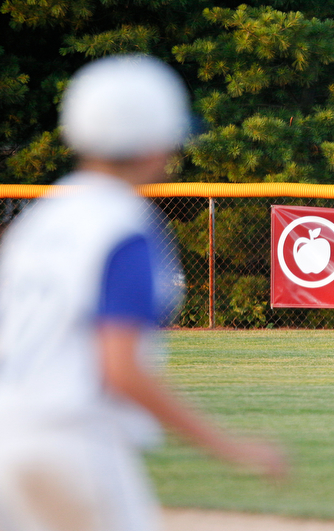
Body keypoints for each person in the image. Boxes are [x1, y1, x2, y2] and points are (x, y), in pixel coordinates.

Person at [0, 54, 287, 531]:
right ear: (155, 143)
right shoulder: (124, 227)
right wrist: (231, 446)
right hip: (72, 441)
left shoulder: (40, 221)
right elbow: (121, 369)